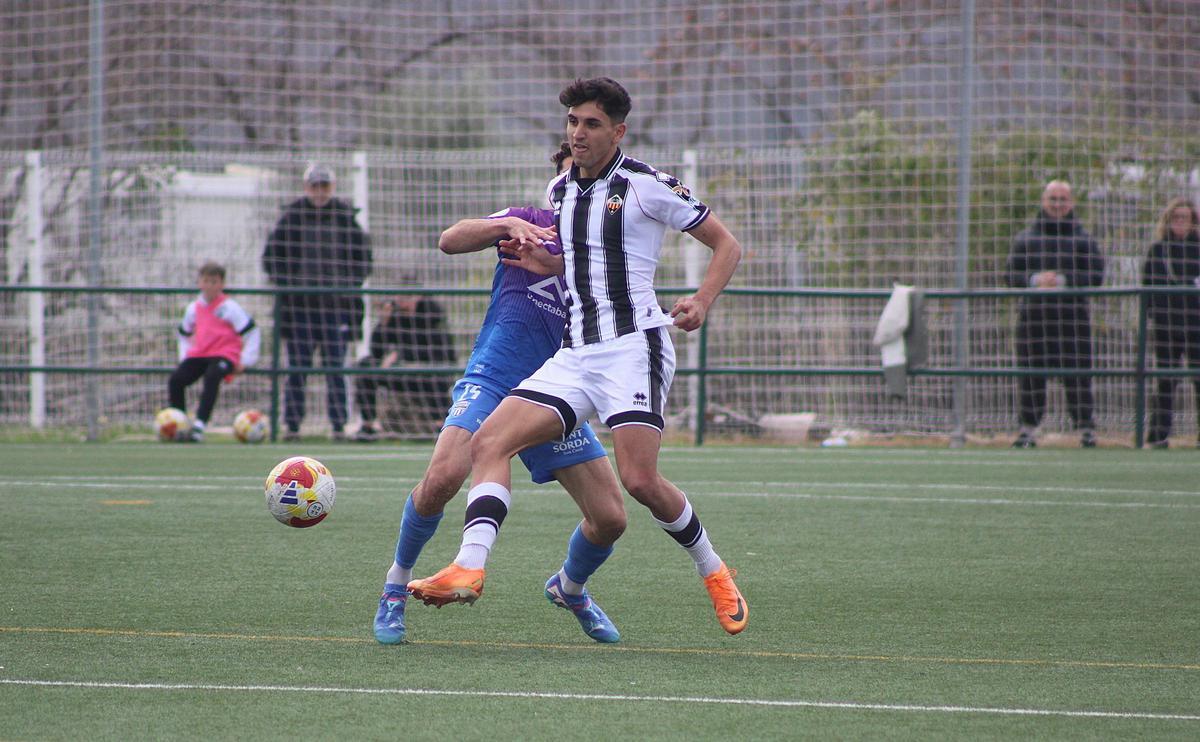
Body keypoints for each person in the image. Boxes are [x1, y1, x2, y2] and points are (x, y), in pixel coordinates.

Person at [408, 77, 749, 636]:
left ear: (617, 131)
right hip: (577, 353)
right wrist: (545, 265)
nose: (579, 132)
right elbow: (579, 266)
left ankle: (714, 571)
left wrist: (703, 300)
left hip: (634, 347)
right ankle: (468, 567)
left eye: (591, 123)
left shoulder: (645, 185)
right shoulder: (562, 189)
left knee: (639, 481)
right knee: (489, 441)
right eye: (572, 122)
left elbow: (726, 244)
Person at [373, 144, 628, 645]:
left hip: (555, 396)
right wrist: (504, 227)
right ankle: (395, 588)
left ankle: (570, 587)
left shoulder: (604, 248)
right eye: (569, 173)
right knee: (443, 477)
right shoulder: (526, 220)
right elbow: (449, 240)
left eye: (589, 175)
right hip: (495, 378)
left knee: (611, 519)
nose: (575, 184)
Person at [262, 163, 372, 442]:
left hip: (335, 309)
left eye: (325, 186)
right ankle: (292, 426)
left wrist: (347, 286)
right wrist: (289, 285)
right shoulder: (292, 217)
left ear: (332, 188)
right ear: (306, 187)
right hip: (300, 310)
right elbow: (271, 258)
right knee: (297, 368)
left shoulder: (345, 218)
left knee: (336, 368)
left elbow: (363, 259)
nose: (320, 192)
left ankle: (338, 426)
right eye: (315, 186)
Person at [1005, 180, 1105, 449]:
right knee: (1031, 376)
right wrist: (1035, 279)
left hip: (1073, 320)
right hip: (1034, 320)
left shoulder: (1083, 239)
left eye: (1063, 199)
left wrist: (1063, 280)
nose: (1058, 204)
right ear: (1043, 201)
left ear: (1071, 203)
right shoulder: (1026, 238)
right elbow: (1010, 274)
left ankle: (1085, 429)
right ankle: (1028, 429)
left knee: (1078, 375)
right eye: (1053, 199)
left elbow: (1097, 275)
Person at [168, 261, 261, 443]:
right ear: (199, 283)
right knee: (176, 380)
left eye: (214, 281)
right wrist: (184, 357)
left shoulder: (230, 307)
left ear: (222, 284)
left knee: (213, 375)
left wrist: (246, 360)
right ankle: (180, 424)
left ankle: (199, 427)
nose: (210, 286)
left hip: (224, 355)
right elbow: (183, 334)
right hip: (200, 354)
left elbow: (252, 332)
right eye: (206, 281)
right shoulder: (193, 308)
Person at [353, 293, 457, 442]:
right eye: (399, 297)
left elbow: (440, 352)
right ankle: (368, 426)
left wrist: (401, 355)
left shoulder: (431, 317)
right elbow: (376, 351)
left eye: (406, 297)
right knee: (365, 367)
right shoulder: (394, 318)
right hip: (399, 374)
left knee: (435, 378)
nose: (401, 301)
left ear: (417, 297)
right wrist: (384, 321)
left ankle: (439, 427)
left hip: (426, 373)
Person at [1142, 198, 1200, 449]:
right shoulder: (1158, 250)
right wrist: (1156, 316)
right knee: (1166, 381)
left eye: (1184, 218)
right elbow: (1147, 288)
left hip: (1196, 325)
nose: (1180, 223)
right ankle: (1158, 435)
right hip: (1166, 327)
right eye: (1175, 217)